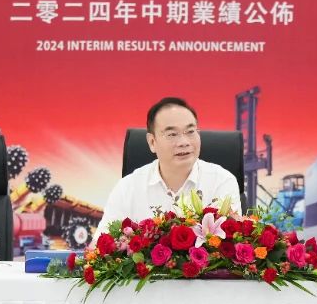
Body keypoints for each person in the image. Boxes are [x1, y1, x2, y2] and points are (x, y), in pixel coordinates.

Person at [96, 97, 242, 236]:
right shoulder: (128, 187)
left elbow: (229, 242)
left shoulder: (221, 181)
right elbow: (100, 244)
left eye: (191, 131)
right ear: (152, 142)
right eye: (172, 134)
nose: (184, 142)